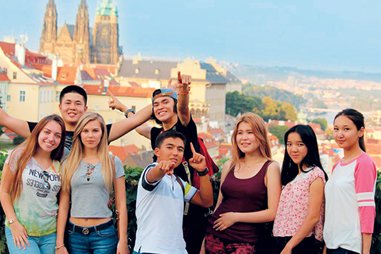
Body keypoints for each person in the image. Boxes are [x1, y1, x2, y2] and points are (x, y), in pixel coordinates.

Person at [109, 72, 209, 254]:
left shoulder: (183, 128)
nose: (160, 107)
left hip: (183, 200)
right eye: (155, 104)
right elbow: (139, 126)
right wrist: (122, 107)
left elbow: (185, 111)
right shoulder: (157, 134)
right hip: (159, 196)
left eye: (165, 102)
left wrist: (183, 94)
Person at [204, 112, 281, 254]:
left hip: (245, 241)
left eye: (250, 132)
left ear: (261, 136)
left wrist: (235, 217)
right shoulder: (229, 165)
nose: (244, 138)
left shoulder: (271, 168)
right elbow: (219, 204)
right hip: (214, 236)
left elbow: (272, 212)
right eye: (240, 133)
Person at [55, 112, 129, 254]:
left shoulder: (113, 162)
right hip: (74, 235)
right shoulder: (68, 163)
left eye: (95, 130)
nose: (90, 135)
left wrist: (123, 240)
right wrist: (59, 243)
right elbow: (63, 205)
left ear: (102, 133)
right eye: (85, 131)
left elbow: (121, 204)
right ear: (79, 134)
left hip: (104, 235)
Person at [0, 85, 153, 151]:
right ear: (60, 107)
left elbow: (135, 120)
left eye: (77, 104)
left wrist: (163, 98)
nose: (72, 107)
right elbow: (5, 119)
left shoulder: (97, 132)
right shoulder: (44, 132)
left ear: (85, 109)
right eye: (68, 103)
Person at [133, 130, 213, 254]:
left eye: (180, 149)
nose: (175, 153)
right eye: (170, 147)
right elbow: (152, 176)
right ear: (157, 152)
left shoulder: (179, 182)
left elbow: (206, 201)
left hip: (178, 250)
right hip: (150, 250)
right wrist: (161, 168)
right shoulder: (149, 170)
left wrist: (202, 171)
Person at [0, 114, 66, 253]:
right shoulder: (19, 155)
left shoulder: (61, 164)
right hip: (21, 230)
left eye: (57, 135)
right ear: (38, 132)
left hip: (50, 234)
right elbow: (4, 192)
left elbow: (62, 203)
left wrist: (59, 242)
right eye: (47, 132)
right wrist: (14, 223)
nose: (51, 139)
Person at [323, 109, 377, 254]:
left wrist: (366, 251)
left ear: (361, 131)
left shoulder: (364, 163)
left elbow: (367, 209)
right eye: (336, 129)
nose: (340, 134)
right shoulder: (337, 166)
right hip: (332, 245)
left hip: (350, 246)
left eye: (346, 129)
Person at [273, 125, 328, 254]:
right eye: (289, 144)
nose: (293, 149)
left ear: (310, 146)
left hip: (301, 242)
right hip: (280, 239)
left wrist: (289, 246)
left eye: (300, 144)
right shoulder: (291, 177)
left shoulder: (315, 175)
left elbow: (313, 217)